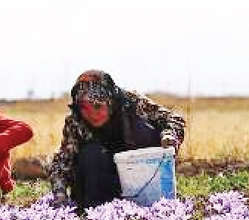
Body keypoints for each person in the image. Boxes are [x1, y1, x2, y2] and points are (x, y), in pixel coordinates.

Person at [47, 70, 185, 209]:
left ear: (111, 101)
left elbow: (174, 120)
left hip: (139, 172)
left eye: (97, 106)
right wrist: (60, 196)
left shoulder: (131, 102)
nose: (92, 114)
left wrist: (169, 136)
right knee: (90, 152)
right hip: (100, 179)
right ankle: (97, 209)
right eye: (84, 108)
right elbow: (62, 162)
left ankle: (156, 203)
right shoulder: (75, 120)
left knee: (143, 129)